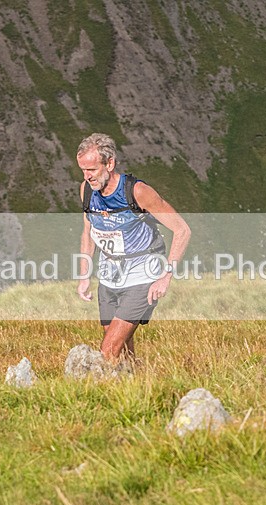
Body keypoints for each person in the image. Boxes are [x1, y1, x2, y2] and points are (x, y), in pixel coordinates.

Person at [76, 133, 191, 363]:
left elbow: (182, 230)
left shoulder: (137, 192)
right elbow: (88, 231)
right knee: (122, 349)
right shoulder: (86, 190)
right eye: (83, 170)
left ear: (110, 163)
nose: (87, 176)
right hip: (109, 277)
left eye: (92, 169)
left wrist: (165, 277)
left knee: (108, 350)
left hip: (142, 275)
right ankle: (135, 388)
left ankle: (95, 395)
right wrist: (84, 275)